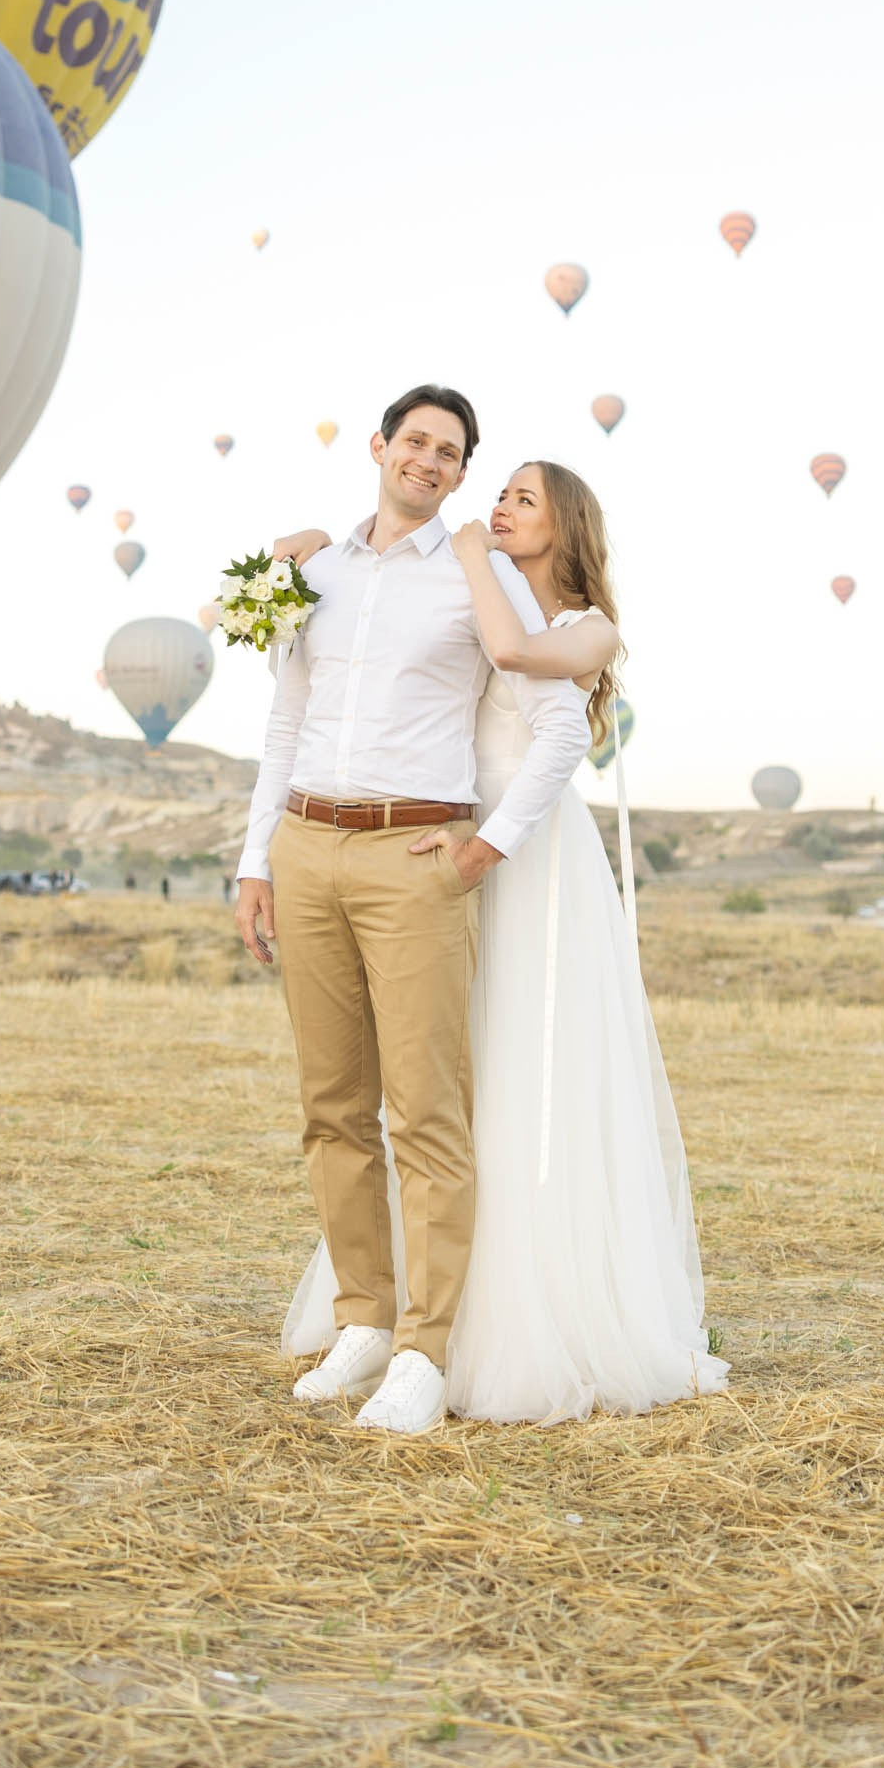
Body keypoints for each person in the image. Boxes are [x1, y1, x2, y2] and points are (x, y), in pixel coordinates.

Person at [270, 458, 729, 1428]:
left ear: (564, 524)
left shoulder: (567, 622)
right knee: (438, 1079)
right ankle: (394, 1314)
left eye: (522, 498)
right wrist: (311, 561)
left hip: (521, 857)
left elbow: (544, 707)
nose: (499, 507)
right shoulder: (483, 596)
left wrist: (484, 843)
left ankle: (515, 1316)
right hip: (444, 849)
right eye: (501, 494)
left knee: (516, 1080)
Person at [234, 388, 590, 1439]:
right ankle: (362, 1320)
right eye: (416, 442)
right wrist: (256, 860)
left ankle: (426, 1354)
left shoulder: (477, 583)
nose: (429, 462)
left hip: (412, 852)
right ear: (379, 447)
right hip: (305, 844)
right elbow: (283, 719)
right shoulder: (316, 575)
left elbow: (559, 726)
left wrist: (487, 844)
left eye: (451, 453)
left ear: (461, 475)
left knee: (425, 1112)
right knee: (330, 1102)